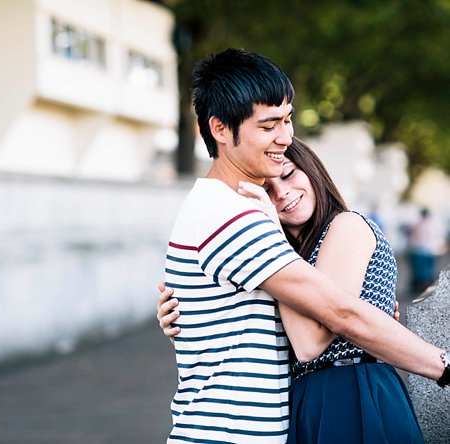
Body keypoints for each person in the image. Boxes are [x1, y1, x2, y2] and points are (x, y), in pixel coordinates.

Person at [159, 47, 448, 444]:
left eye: (288, 119)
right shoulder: (236, 213)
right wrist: (443, 366)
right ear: (221, 129)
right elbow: (338, 314)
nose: (285, 136)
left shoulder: (228, 207)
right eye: (268, 125)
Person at [408, 207, 445, 293]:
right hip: (429, 250)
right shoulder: (432, 224)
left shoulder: (417, 224)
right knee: (427, 270)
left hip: (418, 250)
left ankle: (419, 287)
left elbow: (413, 236)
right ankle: (426, 286)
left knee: (419, 271)